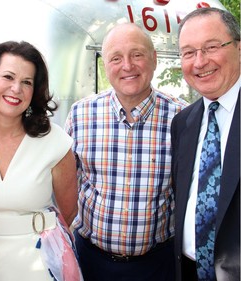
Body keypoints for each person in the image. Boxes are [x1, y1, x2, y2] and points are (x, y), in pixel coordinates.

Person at [0, 40, 82, 281]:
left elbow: (69, 211)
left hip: (38, 265)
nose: (16, 89)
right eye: (8, 77)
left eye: (27, 82)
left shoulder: (56, 141)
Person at [65, 22, 187, 281]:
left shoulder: (182, 117)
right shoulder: (80, 115)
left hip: (157, 266)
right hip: (90, 261)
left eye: (137, 55)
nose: (128, 66)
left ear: (154, 59)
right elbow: (64, 185)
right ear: (105, 65)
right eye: (116, 58)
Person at [171, 7, 240, 281]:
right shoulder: (183, 123)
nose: (199, 62)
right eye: (188, 52)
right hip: (188, 270)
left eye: (211, 47)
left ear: (238, 47)